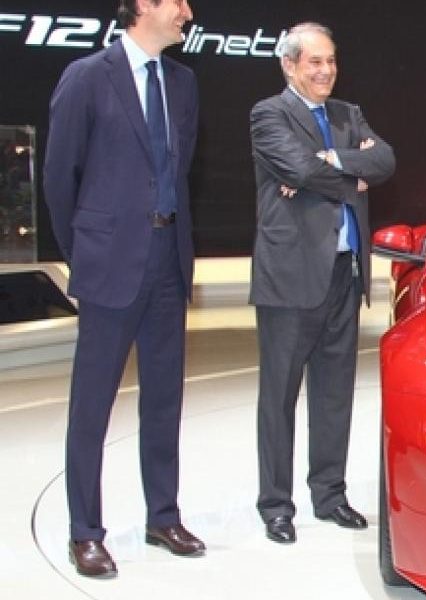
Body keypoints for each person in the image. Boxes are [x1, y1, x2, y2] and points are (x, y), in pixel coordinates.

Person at [42, 0, 204, 578]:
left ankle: (163, 516)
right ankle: (85, 532)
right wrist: (85, 252)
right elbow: (59, 177)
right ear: (142, 6)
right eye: (176, 1)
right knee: (92, 407)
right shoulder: (87, 76)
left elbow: (179, 171)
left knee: (163, 401)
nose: (187, 11)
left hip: (168, 260)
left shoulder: (182, 83)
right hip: (109, 263)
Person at [249, 21, 395, 544]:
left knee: (334, 395)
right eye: (314, 61)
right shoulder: (269, 114)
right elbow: (298, 169)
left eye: (330, 60)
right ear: (289, 65)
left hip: (344, 273)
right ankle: (276, 505)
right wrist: (347, 176)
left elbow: (384, 160)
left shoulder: (347, 114)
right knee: (280, 396)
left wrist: (333, 160)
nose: (326, 70)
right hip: (290, 278)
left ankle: (330, 495)